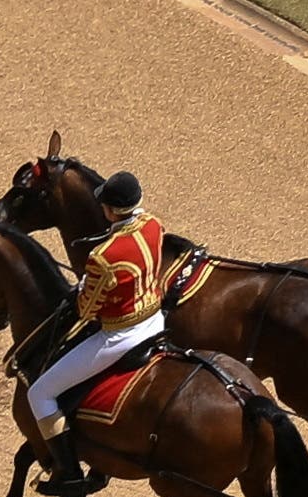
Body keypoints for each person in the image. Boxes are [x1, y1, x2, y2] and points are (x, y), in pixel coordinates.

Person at [21, 167, 185, 442]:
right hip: (156, 319)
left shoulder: (104, 256)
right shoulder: (154, 224)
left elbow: (86, 309)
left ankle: (67, 470)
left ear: (109, 211)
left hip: (121, 335)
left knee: (40, 393)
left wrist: (86, 285)